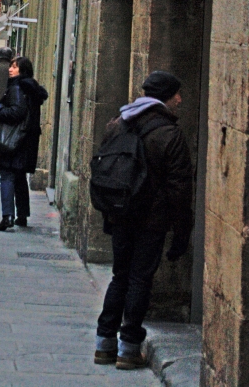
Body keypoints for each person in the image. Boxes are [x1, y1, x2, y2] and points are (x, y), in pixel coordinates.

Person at [94, 71, 193, 370]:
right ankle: (128, 349)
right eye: (176, 94)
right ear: (165, 96)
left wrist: (109, 213)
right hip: (152, 220)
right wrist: (182, 232)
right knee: (139, 280)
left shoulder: (118, 122)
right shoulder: (170, 134)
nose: (180, 99)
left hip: (121, 214)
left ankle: (104, 343)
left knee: (120, 276)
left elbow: (105, 169)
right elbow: (180, 188)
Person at [0, 56, 48, 230]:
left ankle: (7, 216)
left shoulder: (17, 87)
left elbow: (17, 112)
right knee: (19, 175)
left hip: (14, 139)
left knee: (7, 175)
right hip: (26, 139)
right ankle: (22, 215)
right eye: (11, 66)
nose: (10, 69)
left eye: (14, 67)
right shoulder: (31, 87)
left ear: (23, 70)